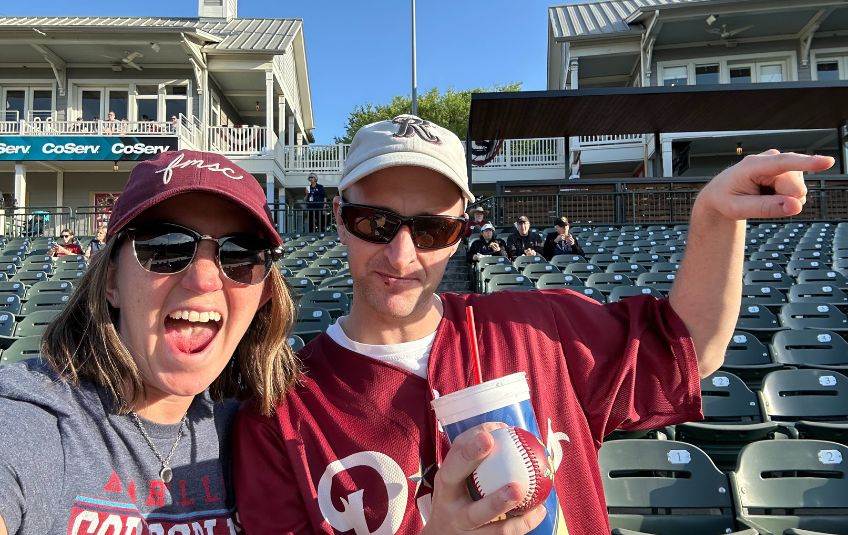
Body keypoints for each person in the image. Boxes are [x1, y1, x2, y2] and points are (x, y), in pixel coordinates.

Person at [232, 114, 833, 535]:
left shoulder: (538, 326)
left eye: (434, 230)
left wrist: (715, 219)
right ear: (338, 218)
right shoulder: (280, 405)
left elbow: (691, 350)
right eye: (374, 222)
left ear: (463, 230)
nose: (402, 255)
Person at [0, 149, 299, 535]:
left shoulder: (265, 434)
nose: (204, 281)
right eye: (167, 247)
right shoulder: (35, 418)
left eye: (240, 255)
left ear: (262, 296)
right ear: (110, 281)